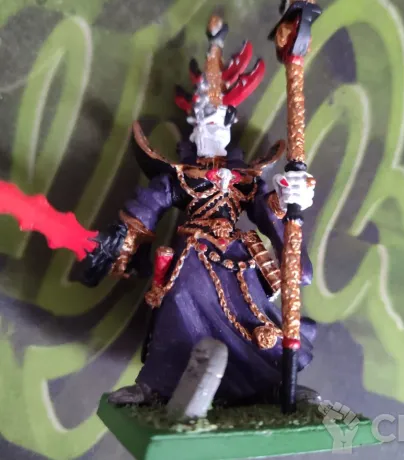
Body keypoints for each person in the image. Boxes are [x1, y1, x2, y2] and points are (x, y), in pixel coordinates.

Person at [80, 15, 319, 407]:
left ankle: (270, 381)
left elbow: (267, 209)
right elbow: (152, 203)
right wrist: (123, 236)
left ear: (228, 125)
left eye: (217, 121)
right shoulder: (181, 175)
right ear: (194, 129)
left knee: (254, 315)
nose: (210, 128)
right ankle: (158, 386)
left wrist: (287, 198)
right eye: (202, 122)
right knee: (181, 300)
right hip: (192, 253)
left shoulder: (244, 177)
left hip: (241, 258)